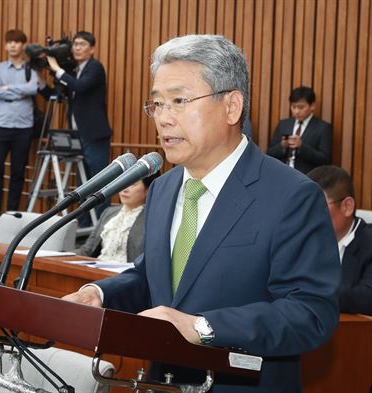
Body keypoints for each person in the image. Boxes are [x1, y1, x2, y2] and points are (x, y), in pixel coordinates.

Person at [63, 34, 340, 392]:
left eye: (179, 101)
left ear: (231, 106)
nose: (163, 119)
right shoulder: (163, 188)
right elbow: (154, 278)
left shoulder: (291, 195)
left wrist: (203, 328)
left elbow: (310, 312)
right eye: (157, 104)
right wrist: (99, 295)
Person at [44, 31, 112, 220]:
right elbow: (63, 94)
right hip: (76, 135)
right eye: (75, 44)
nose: (77, 48)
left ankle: (99, 229)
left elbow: (80, 87)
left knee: (99, 181)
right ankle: (84, 226)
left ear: (92, 49)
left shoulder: (95, 67)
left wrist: (57, 69)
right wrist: (43, 83)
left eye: (82, 44)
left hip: (94, 134)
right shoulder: (75, 70)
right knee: (83, 184)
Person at [0, 29, 38, 221]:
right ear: (6, 45)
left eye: (17, 42)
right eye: (10, 42)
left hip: (24, 126)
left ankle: (11, 212)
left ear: (23, 45)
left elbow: (34, 88)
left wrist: (7, 89)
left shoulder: (30, 68)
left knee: (18, 170)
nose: (13, 45)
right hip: (2, 124)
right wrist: (20, 93)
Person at [307, 165, 372, 316]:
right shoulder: (303, 241)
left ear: (347, 207)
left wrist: (310, 295)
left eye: (316, 207)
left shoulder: (368, 244)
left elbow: (367, 297)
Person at [75, 171, 160, 263]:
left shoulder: (152, 219)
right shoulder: (109, 212)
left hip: (126, 273)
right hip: (97, 268)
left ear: (147, 190)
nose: (125, 189)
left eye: (132, 185)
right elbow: (87, 249)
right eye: (123, 183)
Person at [267, 86, 332, 174]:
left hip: (307, 177)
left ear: (312, 106)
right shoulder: (284, 124)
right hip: (282, 174)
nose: (296, 111)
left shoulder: (323, 128)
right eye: (293, 107)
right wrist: (282, 146)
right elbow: (269, 153)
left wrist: (302, 147)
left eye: (301, 107)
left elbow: (325, 160)